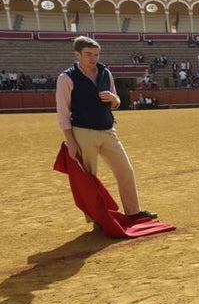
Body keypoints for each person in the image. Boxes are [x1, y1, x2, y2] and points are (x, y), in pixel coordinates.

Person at [56, 36, 156, 223]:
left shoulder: (105, 73)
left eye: (96, 54)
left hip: (108, 130)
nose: (93, 58)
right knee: (89, 178)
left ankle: (133, 211)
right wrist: (70, 140)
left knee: (125, 170)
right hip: (82, 132)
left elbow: (116, 102)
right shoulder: (66, 78)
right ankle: (96, 220)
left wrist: (113, 98)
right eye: (88, 54)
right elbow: (63, 112)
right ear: (77, 55)